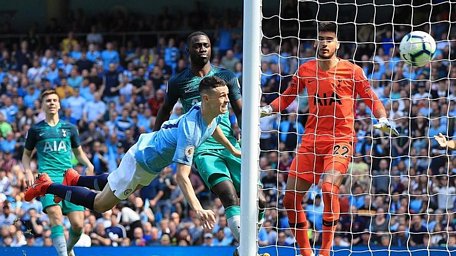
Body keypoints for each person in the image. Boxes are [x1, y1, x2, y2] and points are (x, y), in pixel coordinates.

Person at [25, 76, 240, 231]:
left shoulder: (208, 112)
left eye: (227, 95)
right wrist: (198, 208)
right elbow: (181, 176)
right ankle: (47, 186)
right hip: (141, 161)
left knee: (114, 182)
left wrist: (232, 149)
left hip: (151, 161)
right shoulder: (191, 129)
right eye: (221, 96)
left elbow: (214, 128)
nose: (226, 100)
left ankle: (75, 179)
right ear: (206, 98)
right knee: (101, 204)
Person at [260, 22, 397, 256]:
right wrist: (265, 110)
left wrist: (382, 118)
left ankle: (324, 252)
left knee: (328, 187)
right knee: (290, 200)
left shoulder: (351, 71)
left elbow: (371, 98)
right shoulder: (305, 70)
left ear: (337, 44)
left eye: (329, 39)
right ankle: (306, 253)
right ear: (315, 42)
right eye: (321, 38)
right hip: (311, 140)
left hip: (341, 139)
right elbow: (286, 98)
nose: (324, 43)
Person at [154, 31, 265, 250]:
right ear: (188, 50)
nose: (202, 49)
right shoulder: (178, 81)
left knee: (259, 200)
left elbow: (240, 110)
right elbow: (164, 111)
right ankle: (249, 250)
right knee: (228, 195)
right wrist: (154, 140)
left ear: (211, 48)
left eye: (206, 45)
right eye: (197, 46)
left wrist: (247, 136)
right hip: (203, 148)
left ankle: (245, 247)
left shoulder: (227, 76)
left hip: (230, 144)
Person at [22, 89, 94, 256]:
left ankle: (67, 249)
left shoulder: (70, 128)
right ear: (43, 105)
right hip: (47, 179)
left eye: (55, 100)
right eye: (48, 101)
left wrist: (89, 165)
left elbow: (78, 153)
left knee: (78, 225)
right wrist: (27, 172)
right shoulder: (35, 130)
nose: (52, 103)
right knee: (55, 215)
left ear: (59, 104)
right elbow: (26, 156)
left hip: (69, 178)